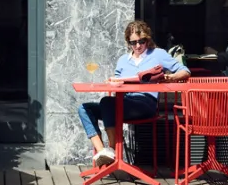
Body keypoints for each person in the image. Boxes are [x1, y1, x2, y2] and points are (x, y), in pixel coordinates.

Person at [79, 19, 190, 168]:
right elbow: (117, 80)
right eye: (133, 42)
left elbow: (185, 71)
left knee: (107, 102)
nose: (138, 46)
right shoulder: (123, 60)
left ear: (147, 39)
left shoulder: (157, 54)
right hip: (123, 103)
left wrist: (169, 77)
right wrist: (113, 81)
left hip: (145, 103)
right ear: (128, 42)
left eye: (142, 41)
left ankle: (111, 149)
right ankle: (103, 152)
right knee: (85, 109)